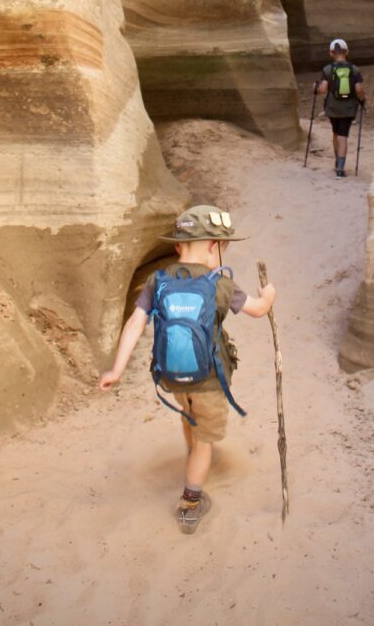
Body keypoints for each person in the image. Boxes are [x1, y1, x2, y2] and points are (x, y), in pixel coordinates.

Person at [99, 204, 276, 534]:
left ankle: (192, 450)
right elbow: (258, 309)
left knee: (189, 415)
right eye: (222, 248)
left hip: (171, 377)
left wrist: (116, 370)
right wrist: (269, 294)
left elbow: (136, 322)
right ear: (213, 246)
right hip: (208, 380)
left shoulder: (158, 281)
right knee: (206, 440)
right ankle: (191, 502)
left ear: (178, 246)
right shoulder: (220, 284)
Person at [316, 37, 365, 177]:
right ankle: (340, 169)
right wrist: (362, 100)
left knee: (335, 133)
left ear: (331, 53)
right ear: (347, 52)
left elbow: (323, 89)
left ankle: (337, 162)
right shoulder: (354, 69)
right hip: (348, 108)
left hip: (332, 107)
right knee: (343, 136)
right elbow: (359, 90)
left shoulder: (327, 69)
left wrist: (316, 88)